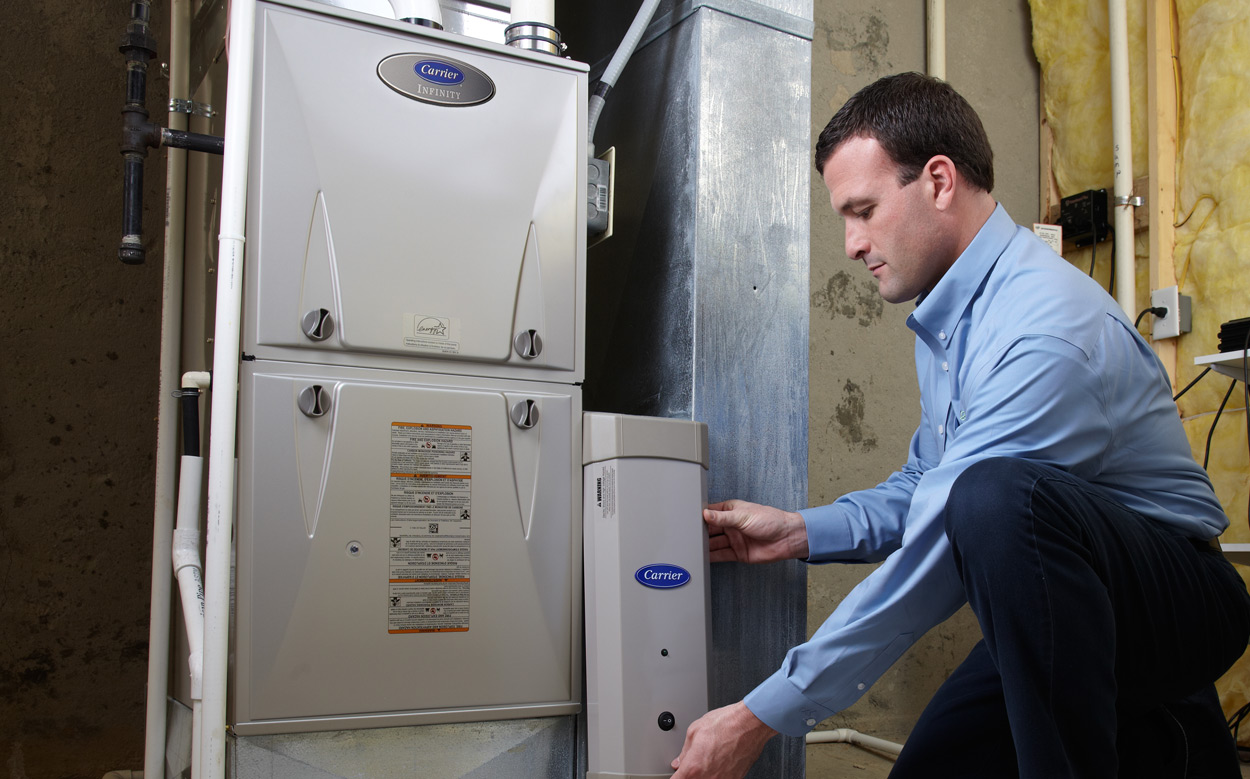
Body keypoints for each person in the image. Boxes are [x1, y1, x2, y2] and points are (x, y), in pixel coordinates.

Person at [669, 72, 1250, 778]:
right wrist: (800, 530)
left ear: (939, 181)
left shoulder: (1045, 331)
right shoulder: (950, 317)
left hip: (1176, 601)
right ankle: (1176, 738)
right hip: (1066, 600)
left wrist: (762, 713)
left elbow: (948, 532)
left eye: (863, 210)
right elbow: (929, 482)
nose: (852, 244)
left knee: (995, 497)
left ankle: (1164, 717)